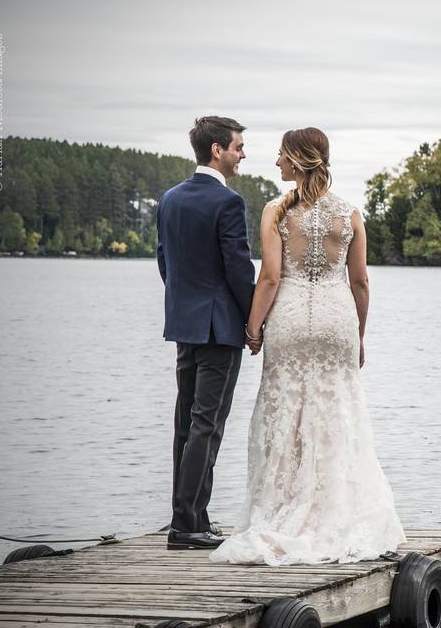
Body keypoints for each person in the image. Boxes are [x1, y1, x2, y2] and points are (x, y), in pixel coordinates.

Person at [210, 127, 405, 565]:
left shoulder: (276, 212)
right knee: (337, 412)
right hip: (337, 321)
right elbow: (360, 281)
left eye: (281, 156)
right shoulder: (351, 214)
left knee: (288, 414)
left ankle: (284, 510)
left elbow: (271, 278)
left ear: (297, 161)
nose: (276, 162)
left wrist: (253, 328)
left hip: (292, 321)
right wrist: (360, 334)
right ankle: (336, 512)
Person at [156, 116, 261, 550]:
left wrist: (186, 304)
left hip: (185, 324)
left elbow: (165, 261)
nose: (242, 154)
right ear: (217, 150)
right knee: (208, 424)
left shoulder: (170, 199)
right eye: (238, 146)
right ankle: (187, 526)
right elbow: (238, 269)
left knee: (188, 421)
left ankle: (192, 516)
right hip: (219, 328)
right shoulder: (227, 203)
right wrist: (254, 320)